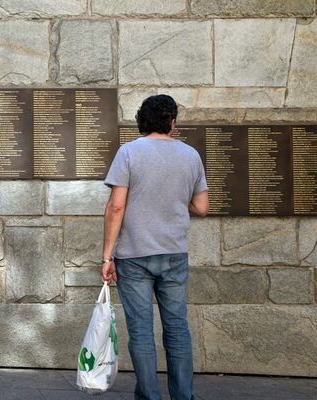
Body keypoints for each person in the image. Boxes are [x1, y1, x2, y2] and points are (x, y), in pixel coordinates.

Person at [100, 94, 209, 400]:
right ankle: (183, 396)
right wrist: (174, 196)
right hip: (174, 254)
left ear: (142, 121)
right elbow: (202, 206)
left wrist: (107, 256)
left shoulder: (129, 153)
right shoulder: (190, 155)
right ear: (172, 121)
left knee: (142, 333)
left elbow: (116, 207)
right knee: (176, 329)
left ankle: (149, 396)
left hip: (134, 256)